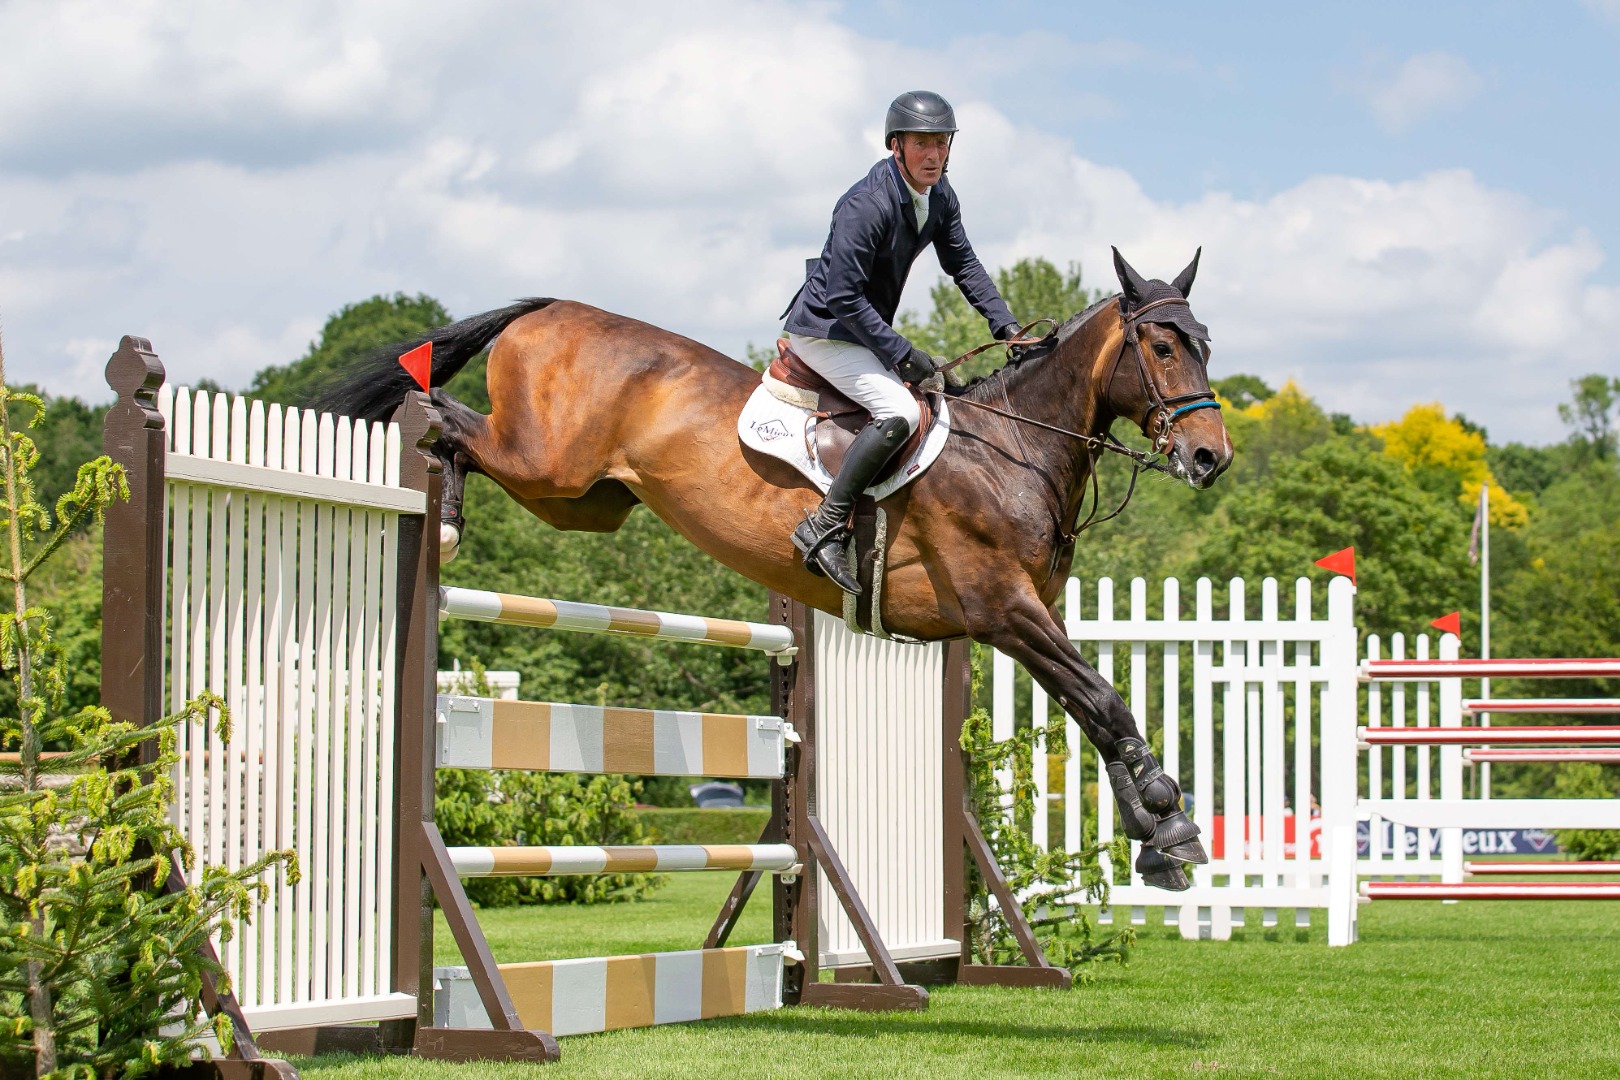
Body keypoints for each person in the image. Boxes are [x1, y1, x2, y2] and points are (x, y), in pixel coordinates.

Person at [781, 90, 1020, 593]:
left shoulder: (940, 195)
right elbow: (844, 298)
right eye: (922, 144)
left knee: (945, 396)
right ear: (897, 146)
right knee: (901, 412)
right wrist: (900, 353)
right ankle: (825, 525)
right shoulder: (865, 205)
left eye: (942, 143)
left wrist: (1006, 326)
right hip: (825, 331)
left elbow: (964, 265)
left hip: (860, 332)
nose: (934, 154)